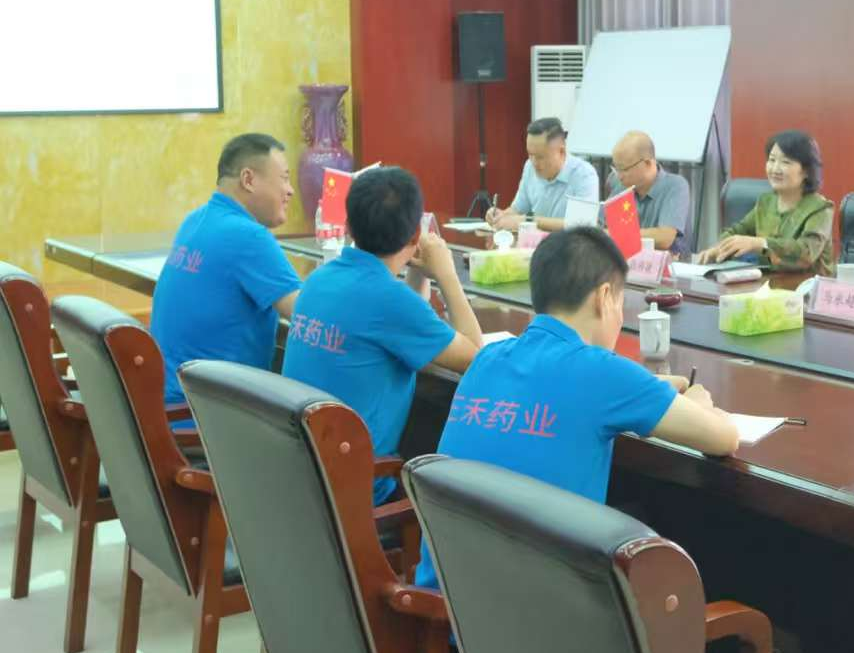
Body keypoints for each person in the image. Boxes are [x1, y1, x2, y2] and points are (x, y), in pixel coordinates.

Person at [413, 226, 738, 591]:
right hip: (542, 613)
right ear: (604, 297)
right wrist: (698, 402)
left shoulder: (487, 359)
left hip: (448, 603)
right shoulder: (604, 373)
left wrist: (650, 388)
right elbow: (724, 438)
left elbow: (560, 389)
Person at [282, 166, 484, 503]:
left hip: (302, 475)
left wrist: (420, 273)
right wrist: (447, 274)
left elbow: (406, 321)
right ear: (415, 235)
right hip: (355, 490)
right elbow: (476, 357)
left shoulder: (321, 278)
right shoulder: (387, 300)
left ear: (348, 225)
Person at [151, 133, 302, 416]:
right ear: (248, 179)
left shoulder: (195, 220)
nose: (290, 190)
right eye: (284, 178)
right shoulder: (247, 236)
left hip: (168, 405)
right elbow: (308, 316)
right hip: (206, 417)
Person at [697, 129, 835, 276]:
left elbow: (806, 253)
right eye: (772, 160)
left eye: (785, 162)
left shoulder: (820, 208)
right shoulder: (766, 202)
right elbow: (738, 231)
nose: (775, 169)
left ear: (806, 171)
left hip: (807, 286)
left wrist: (760, 243)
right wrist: (720, 248)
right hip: (768, 284)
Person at [537, 130, 695, 255]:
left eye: (624, 169)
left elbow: (664, 238)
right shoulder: (621, 185)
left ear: (647, 163)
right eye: (616, 168)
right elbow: (596, 225)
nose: (619, 176)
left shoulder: (675, 186)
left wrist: (611, 234)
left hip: (671, 270)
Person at [485, 117, 598, 232]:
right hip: (535, 241)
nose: (534, 163)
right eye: (530, 154)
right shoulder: (529, 166)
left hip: (568, 242)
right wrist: (501, 215)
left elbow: (582, 225)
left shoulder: (584, 174)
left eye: (540, 157)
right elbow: (518, 210)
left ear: (561, 151)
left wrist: (530, 220)